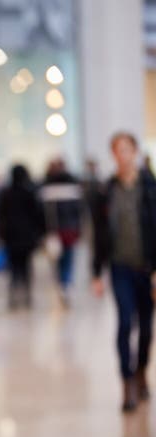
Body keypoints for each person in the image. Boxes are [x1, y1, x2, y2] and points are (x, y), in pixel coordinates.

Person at [91, 131, 156, 413]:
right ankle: (127, 381)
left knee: (145, 327)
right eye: (117, 150)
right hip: (119, 268)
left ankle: (141, 370)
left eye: (127, 149)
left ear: (136, 152)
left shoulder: (150, 187)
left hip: (148, 268)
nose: (123, 155)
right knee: (124, 323)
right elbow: (98, 234)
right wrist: (96, 273)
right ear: (113, 154)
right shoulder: (106, 191)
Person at [0, 164, 45, 309]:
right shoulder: (29, 192)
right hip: (26, 238)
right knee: (25, 267)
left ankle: (14, 294)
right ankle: (26, 294)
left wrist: (0, 235)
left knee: (14, 268)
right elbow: (38, 215)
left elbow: (1, 217)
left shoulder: (6, 193)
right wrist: (39, 234)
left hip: (11, 237)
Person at [40, 157, 83, 306]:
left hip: (55, 231)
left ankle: (62, 284)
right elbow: (79, 211)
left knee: (57, 260)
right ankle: (66, 284)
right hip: (70, 230)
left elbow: (43, 213)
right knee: (68, 259)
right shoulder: (72, 185)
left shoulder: (47, 186)